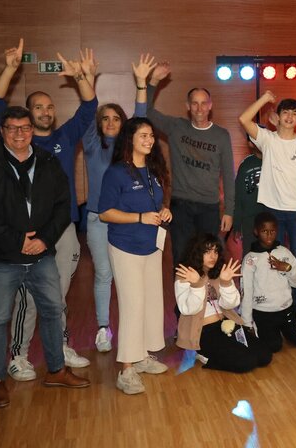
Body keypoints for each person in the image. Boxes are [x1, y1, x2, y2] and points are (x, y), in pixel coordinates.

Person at [0, 106, 91, 409]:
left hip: (41, 256)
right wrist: (16, 240)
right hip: (2, 258)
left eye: (24, 128)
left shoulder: (48, 162)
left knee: (53, 311)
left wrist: (45, 239)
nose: (19, 134)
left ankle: (56, 370)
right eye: (12, 128)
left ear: (32, 131)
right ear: (2, 131)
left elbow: (63, 205)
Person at [0, 39, 96, 378]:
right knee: (28, 297)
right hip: (30, 233)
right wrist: (9, 69)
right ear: (27, 115)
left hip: (63, 230)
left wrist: (81, 77)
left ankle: (60, 346)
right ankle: (18, 354)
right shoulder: (19, 141)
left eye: (49, 107)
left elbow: (89, 107)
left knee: (56, 294)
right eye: (38, 107)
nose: (46, 111)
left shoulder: (65, 137)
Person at [82, 53, 154, 354]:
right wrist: (86, 79)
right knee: (104, 275)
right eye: (105, 118)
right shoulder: (91, 144)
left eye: (116, 118)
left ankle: (132, 330)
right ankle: (103, 328)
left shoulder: (129, 149)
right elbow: (87, 108)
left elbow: (141, 115)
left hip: (129, 222)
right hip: (100, 220)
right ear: (99, 124)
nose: (111, 122)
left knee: (130, 278)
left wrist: (141, 84)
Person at [98, 117, 173, 395]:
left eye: (151, 135)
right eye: (143, 135)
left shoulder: (152, 169)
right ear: (129, 139)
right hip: (125, 246)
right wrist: (140, 217)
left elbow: (156, 201)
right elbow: (105, 212)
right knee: (132, 306)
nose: (149, 140)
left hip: (151, 246)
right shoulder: (116, 172)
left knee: (152, 303)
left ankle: (143, 356)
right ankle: (126, 369)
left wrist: (165, 210)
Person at [239, 91, 296, 330]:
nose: (289, 117)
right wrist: (265, 100)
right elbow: (244, 119)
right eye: (285, 112)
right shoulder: (268, 139)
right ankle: (270, 306)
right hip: (272, 212)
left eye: (294, 114)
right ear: (278, 115)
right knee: (269, 260)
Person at [146, 63, 235, 264]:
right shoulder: (176, 127)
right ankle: (182, 287)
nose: (199, 108)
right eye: (194, 103)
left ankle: (206, 287)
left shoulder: (221, 135)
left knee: (209, 260)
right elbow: (146, 112)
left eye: (204, 103)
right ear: (188, 106)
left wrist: (229, 211)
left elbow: (229, 176)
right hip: (181, 205)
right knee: (181, 257)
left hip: (209, 207)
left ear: (210, 106)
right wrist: (153, 81)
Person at [175, 234, 272, 373]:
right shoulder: (185, 274)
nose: (213, 256)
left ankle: (228, 350)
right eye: (207, 251)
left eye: (215, 251)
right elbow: (187, 309)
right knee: (246, 362)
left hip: (226, 324)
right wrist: (196, 285)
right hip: (204, 331)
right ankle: (205, 356)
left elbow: (230, 304)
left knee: (264, 356)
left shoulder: (220, 271)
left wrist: (226, 283)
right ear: (196, 252)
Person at [240, 212, 296, 351]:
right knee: (273, 347)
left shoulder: (285, 253)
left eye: (272, 231)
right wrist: (247, 323)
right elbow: (246, 293)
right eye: (264, 231)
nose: (269, 235)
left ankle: (288, 326)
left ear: (277, 231)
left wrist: (287, 268)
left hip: (287, 310)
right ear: (256, 231)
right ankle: (262, 328)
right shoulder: (250, 259)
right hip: (263, 313)